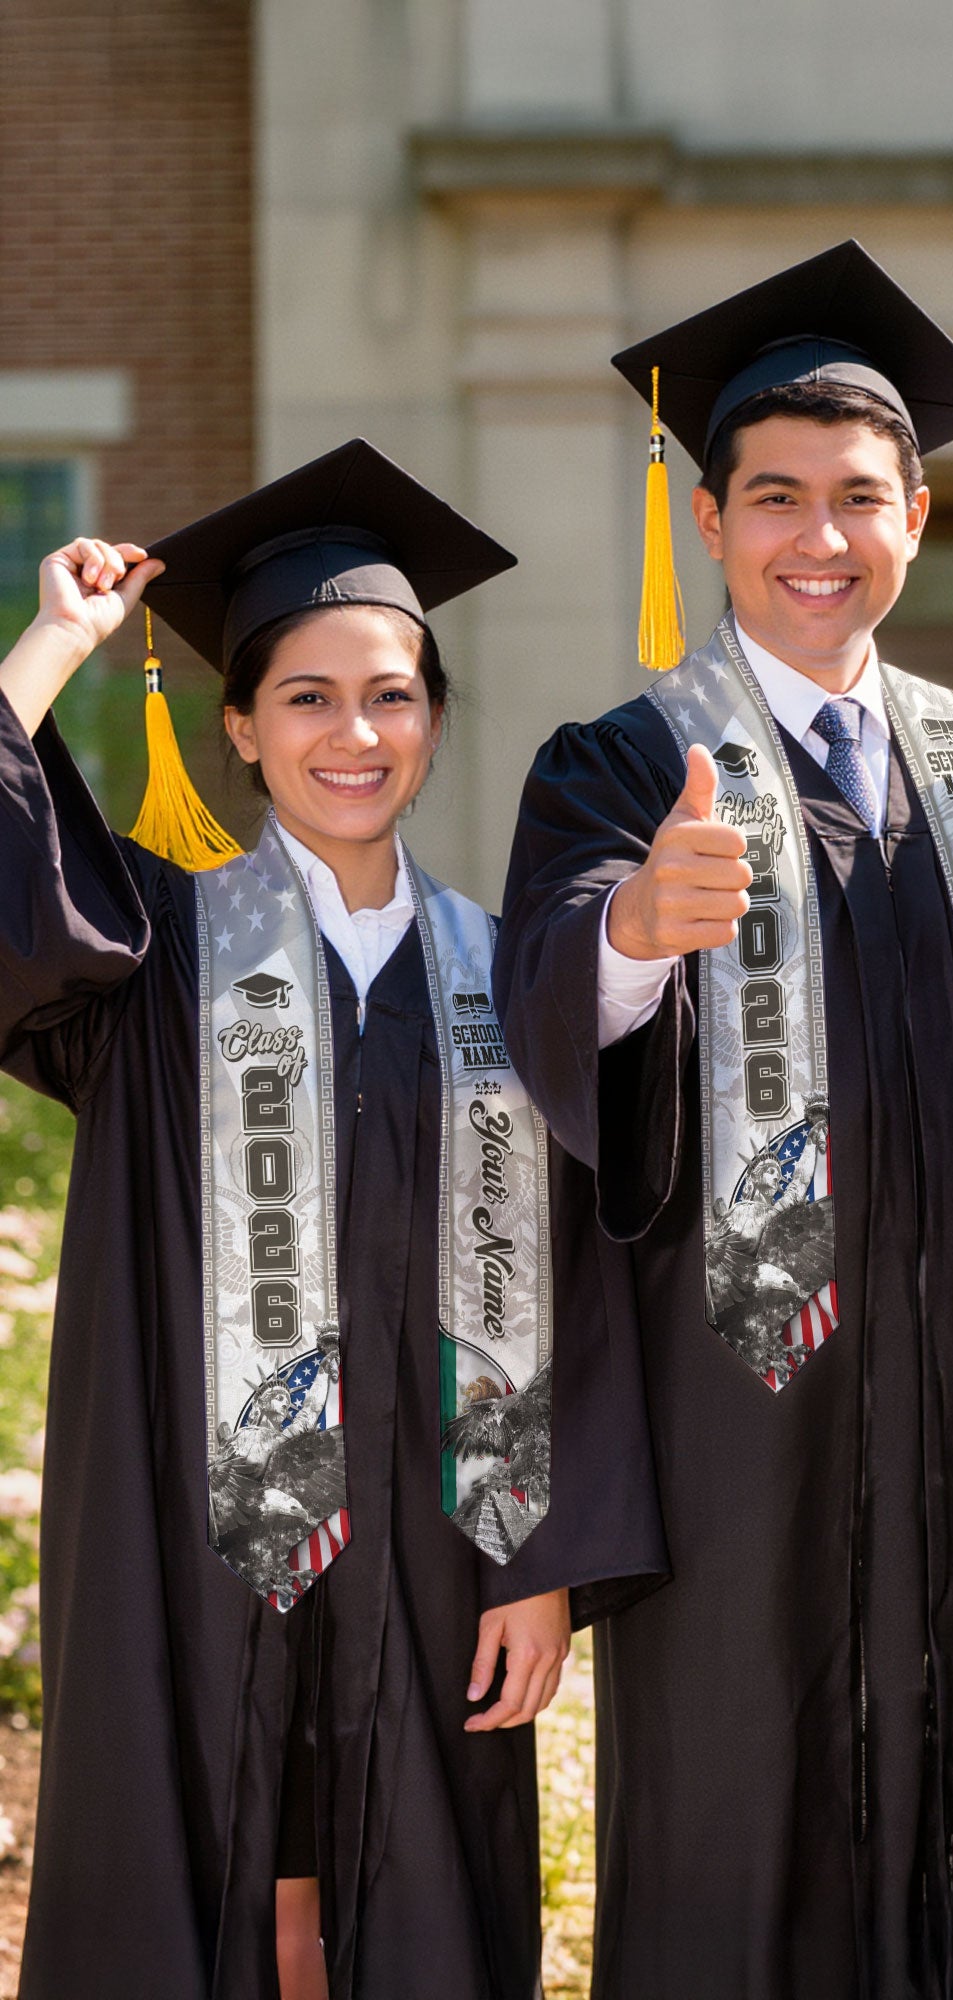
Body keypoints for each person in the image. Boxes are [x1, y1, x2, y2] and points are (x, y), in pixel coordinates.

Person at [497, 241, 953, 1998]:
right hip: (732, 1422)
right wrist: (631, 932)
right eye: (776, 498)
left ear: (917, 515)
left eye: (860, 498)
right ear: (710, 522)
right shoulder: (619, 765)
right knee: (734, 1836)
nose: (818, 538)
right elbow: (548, 1010)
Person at [0, 441, 661, 2000]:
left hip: (442, 1546)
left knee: (421, 1898)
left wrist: (545, 1560)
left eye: (390, 695)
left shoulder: (512, 977)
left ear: (434, 721)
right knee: (199, 1870)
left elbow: (586, 1276)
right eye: (305, 696)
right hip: (186, 1537)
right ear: (238, 726)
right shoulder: (154, 954)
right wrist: (52, 648)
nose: (352, 733)